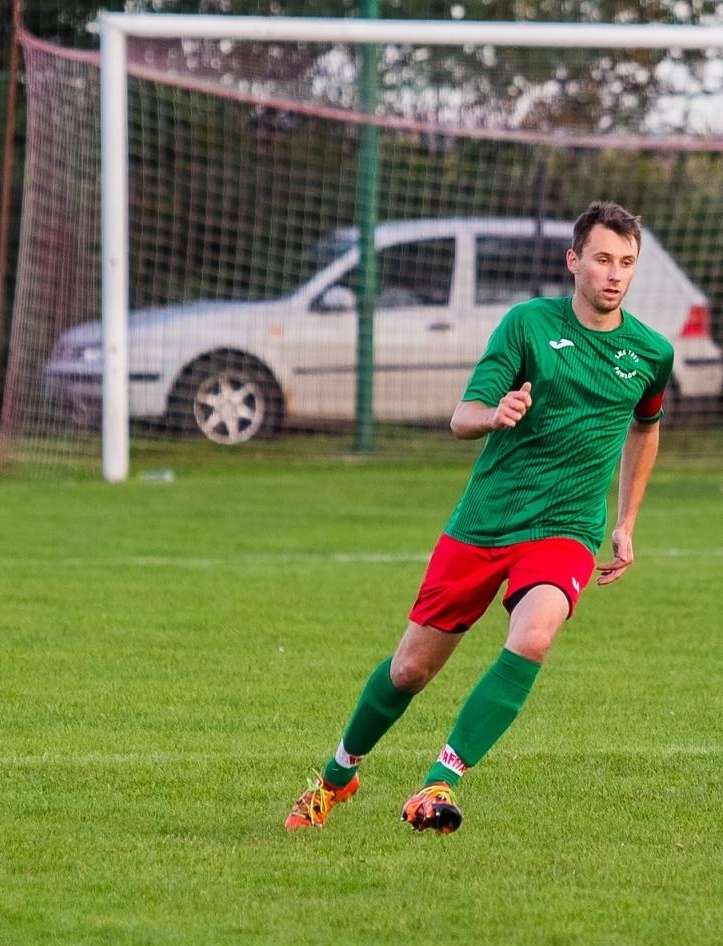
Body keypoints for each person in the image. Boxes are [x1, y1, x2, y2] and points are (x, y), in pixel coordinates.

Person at [286, 201, 674, 834]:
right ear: (574, 261)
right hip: (485, 522)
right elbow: (460, 416)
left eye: (627, 263)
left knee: (535, 635)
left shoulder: (651, 353)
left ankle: (438, 782)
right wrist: (494, 415)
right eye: (603, 259)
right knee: (410, 669)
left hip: (566, 529)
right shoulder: (526, 325)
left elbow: (646, 429)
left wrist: (626, 519)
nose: (614, 274)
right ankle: (338, 775)